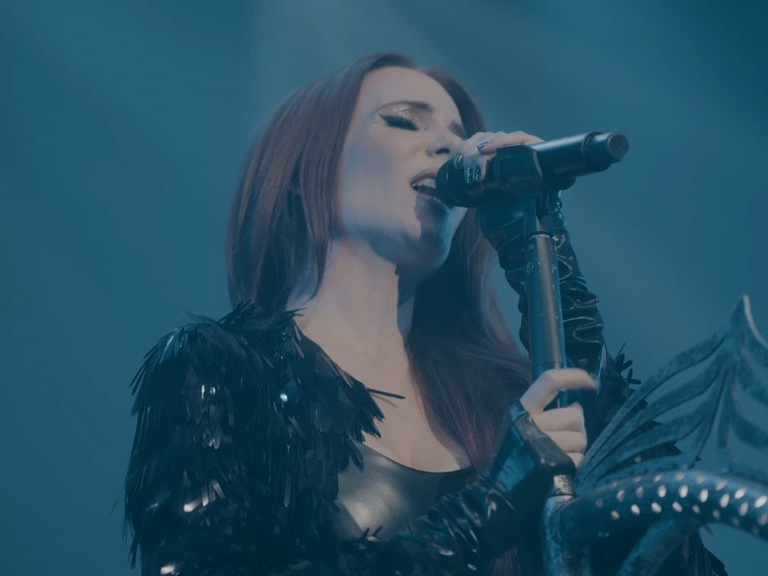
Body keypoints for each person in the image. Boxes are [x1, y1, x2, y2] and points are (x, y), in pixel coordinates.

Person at [124, 53, 726, 576]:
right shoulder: (220, 371)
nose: (449, 146)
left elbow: (665, 555)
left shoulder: (509, 401)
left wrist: (545, 262)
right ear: (309, 171)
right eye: (403, 120)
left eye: (458, 134)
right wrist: (491, 509)